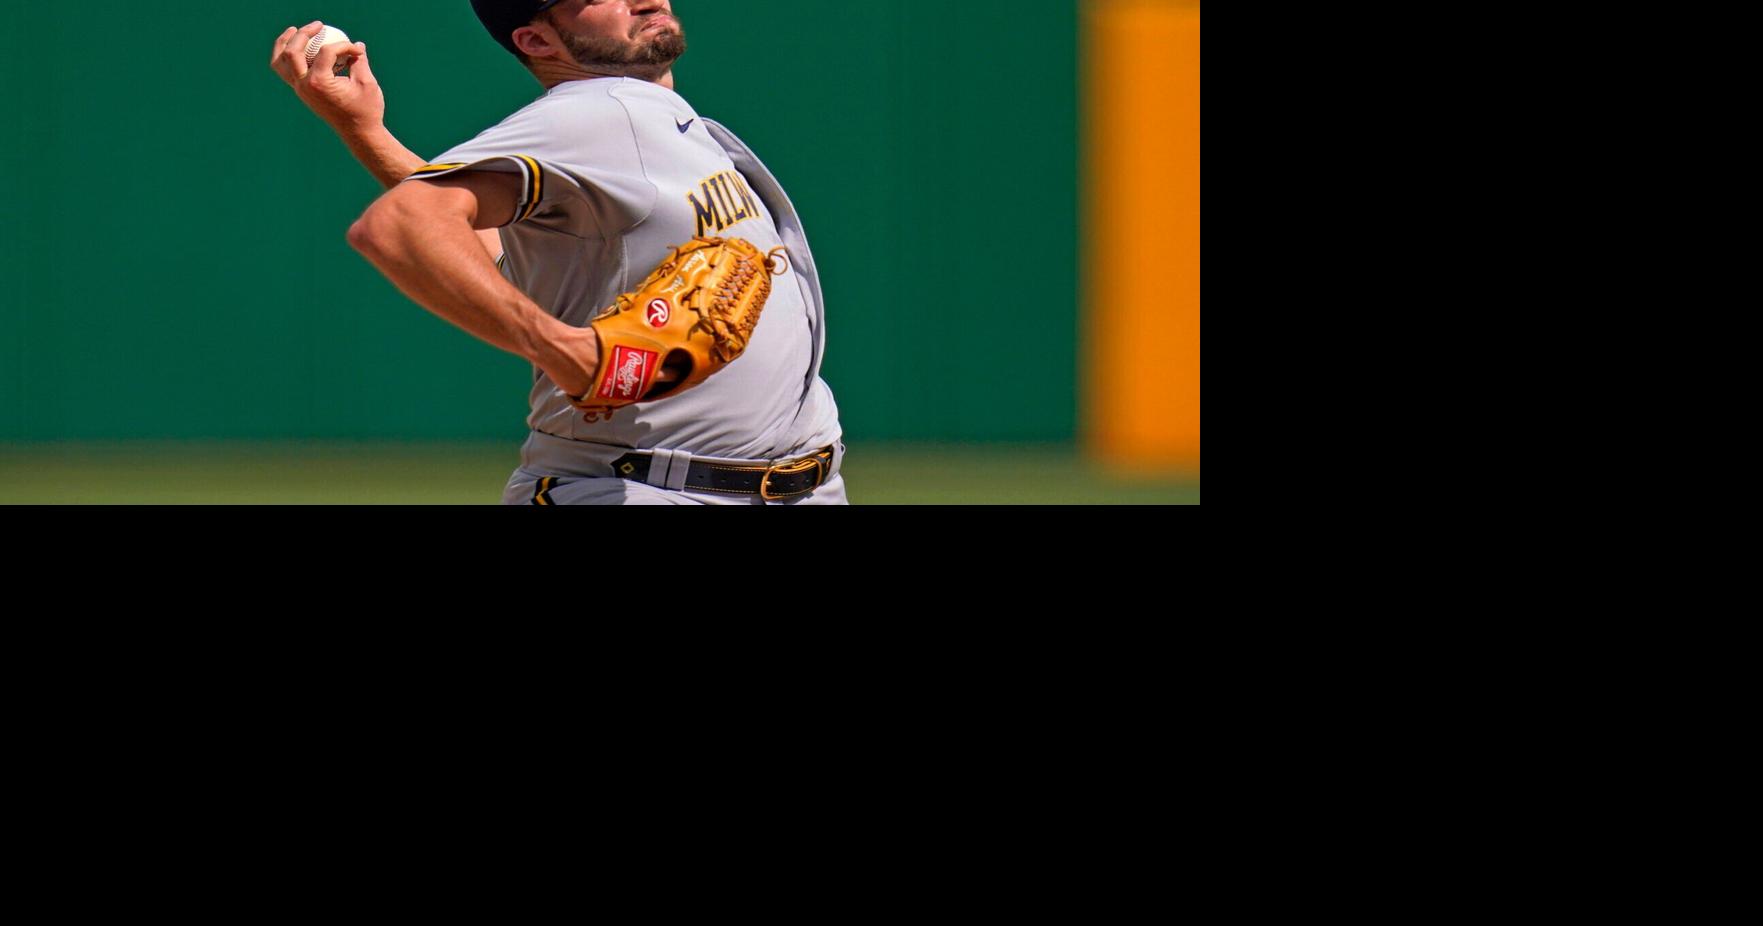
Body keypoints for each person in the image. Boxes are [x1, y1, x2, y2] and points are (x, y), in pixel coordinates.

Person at [268, 1, 847, 505]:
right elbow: (399, 226)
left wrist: (366, 132)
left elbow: (505, 260)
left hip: (795, 482)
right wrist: (566, 350)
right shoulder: (597, 111)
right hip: (646, 489)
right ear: (537, 40)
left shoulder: (644, 120)